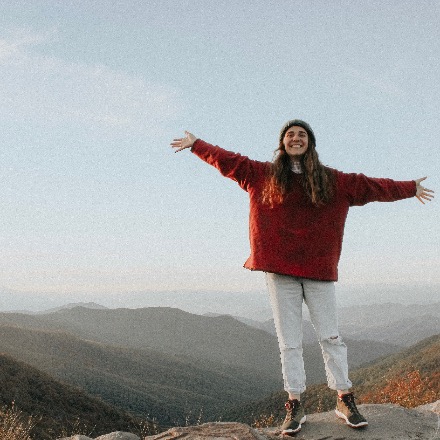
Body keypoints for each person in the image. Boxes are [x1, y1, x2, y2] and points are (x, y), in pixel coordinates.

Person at [170, 120, 434, 436]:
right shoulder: (262, 175)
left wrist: (409, 188)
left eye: (302, 134)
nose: (296, 138)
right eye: (290, 134)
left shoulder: (334, 181)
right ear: (283, 142)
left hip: (318, 270)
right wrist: (197, 145)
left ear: (310, 143)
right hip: (279, 270)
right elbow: (229, 161)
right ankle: (294, 403)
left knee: (331, 337)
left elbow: (371, 186)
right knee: (289, 341)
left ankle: (344, 398)